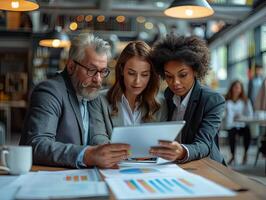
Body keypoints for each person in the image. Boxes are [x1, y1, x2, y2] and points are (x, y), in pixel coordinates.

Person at [19, 33, 130, 168]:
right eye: (91, 70)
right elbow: (36, 144)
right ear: (71, 66)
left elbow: (97, 137)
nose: (98, 80)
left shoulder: (91, 94)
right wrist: (87, 155)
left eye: (103, 71)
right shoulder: (50, 91)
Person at [150, 34, 225, 164]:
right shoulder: (166, 96)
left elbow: (204, 144)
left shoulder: (212, 100)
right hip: (173, 166)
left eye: (183, 75)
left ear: (195, 71)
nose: (175, 83)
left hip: (206, 166)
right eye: (169, 76)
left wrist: (182, 151)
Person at [90, 41, 167, 145]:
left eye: (144, 75)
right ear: (122, 70)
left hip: (149, 160)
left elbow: (162, 142)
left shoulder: (160, 104)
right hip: (113, 161)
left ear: (151, 75)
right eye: (131, 73)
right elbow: (98, 138)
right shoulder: (99, 100)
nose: (137, 81)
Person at [225, 80, 253, 165]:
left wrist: (241, 117)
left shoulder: (246, 101)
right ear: (232, 88)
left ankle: (245, 153)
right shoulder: (227, 100)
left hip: (242, 124)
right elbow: (223, 114)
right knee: (231, 134)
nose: (237, 89)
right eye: (235, 87)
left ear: (241, 89)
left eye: (239, 88)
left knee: (247, 132)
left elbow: (250, 115)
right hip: (231, 125)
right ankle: (233, 155)